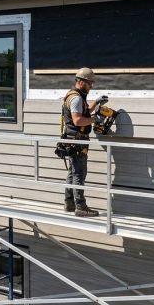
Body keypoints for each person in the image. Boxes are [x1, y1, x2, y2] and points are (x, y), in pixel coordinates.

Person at [61, 68, 108, 217]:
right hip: (77, 140)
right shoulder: (76, 98)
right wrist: (96, 119)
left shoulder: (74, 96)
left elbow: (84, 110)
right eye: (89, 83)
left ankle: (69, 203)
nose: (91, 86)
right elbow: (77, 120)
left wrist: (96, 103)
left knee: (72, 172)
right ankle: (80, 207)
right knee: (79, 173)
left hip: (71, 139)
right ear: (81, 82)